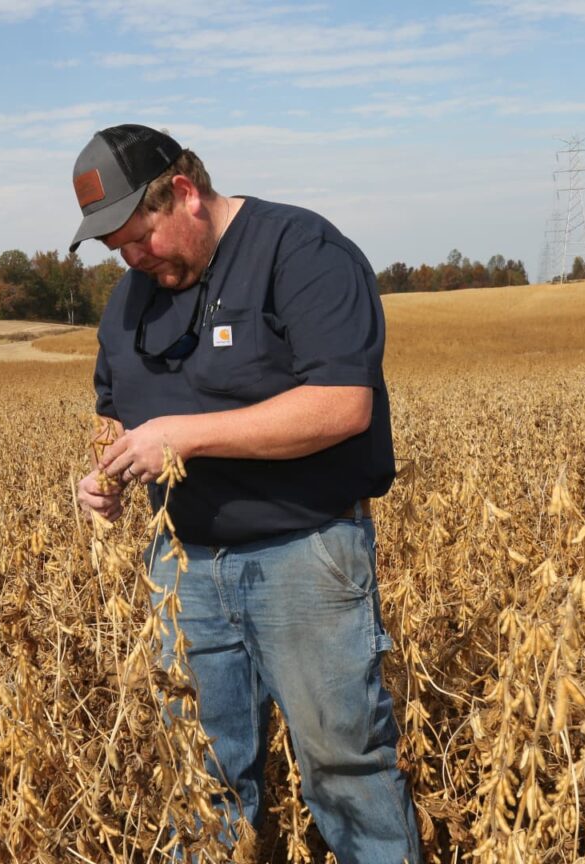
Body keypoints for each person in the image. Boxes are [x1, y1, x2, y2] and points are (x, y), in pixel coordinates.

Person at [71, 124, 419, 862]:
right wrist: (103, 477)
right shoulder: (132, 297)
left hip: (305, 557)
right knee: (201, 778)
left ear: (187, 195)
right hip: (184, 569)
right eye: (118, 250)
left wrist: (188, 437)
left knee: (344, 770)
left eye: (140, 237)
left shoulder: (301, 253)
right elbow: (114, 408)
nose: (133, 259)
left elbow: (341, 405)